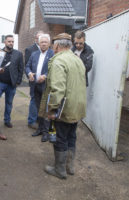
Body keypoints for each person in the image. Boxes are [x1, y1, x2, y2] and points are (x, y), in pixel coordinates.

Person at [39, 33, 86, 179]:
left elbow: (58, 89)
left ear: (58, 45)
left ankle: (60, 170)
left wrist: (52, 108)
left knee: (60, 137)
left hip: (64, 108)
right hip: (77, 107)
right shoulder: (77, 60)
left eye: (53, 45)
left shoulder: (58, 61)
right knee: (71, 136)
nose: (53, 47)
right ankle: (69, 166)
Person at [0, 35, 24, 128]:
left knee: (9, 103)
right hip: (0, 83)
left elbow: (21, 68)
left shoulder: (18, 54)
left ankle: (7, 120)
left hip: (12, 84)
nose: (11, 43)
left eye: (12, 41)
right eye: (9, 41)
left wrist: (18, 81)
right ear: (5, 42)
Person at [25, 34, 54, 142]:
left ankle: (46, 132)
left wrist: (45, 76)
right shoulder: (34, 54)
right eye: (42, 42)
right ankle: (40, 129)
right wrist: (29, 74)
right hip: (35, 85)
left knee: (46, 109)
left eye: (45, 42)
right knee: (38, 109)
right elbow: (27, 66)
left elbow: (54, 68)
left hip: (46, 86)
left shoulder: (52, 54)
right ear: (39, 43)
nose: (43, 44)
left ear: (49, 43)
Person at [25, 31, 44, 129]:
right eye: (39, 38)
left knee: (42, 101)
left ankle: (39, 119)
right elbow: (27, 65)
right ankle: (31, 121)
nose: (41, 40)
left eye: (42, 38)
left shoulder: (49, 51)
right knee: (33, 100)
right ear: (35, 39)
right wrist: (29, 75)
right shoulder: (30, 50)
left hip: (44, 82)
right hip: (34, 81)